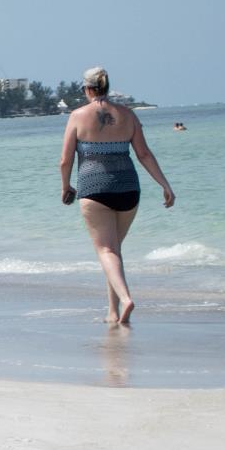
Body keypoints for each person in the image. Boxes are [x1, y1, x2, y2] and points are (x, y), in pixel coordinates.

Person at [59, 66, 176, 325]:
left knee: (106, 250)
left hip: (94, 188)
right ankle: (112, 313)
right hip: (128, 189)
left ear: (87, 89)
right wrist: (165, 184)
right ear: (107, 87)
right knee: (113, 251)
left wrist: (65, 186)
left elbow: (65, 159)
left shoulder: (78, 116)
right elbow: (144, 154)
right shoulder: (128, 115)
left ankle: (125, 299)